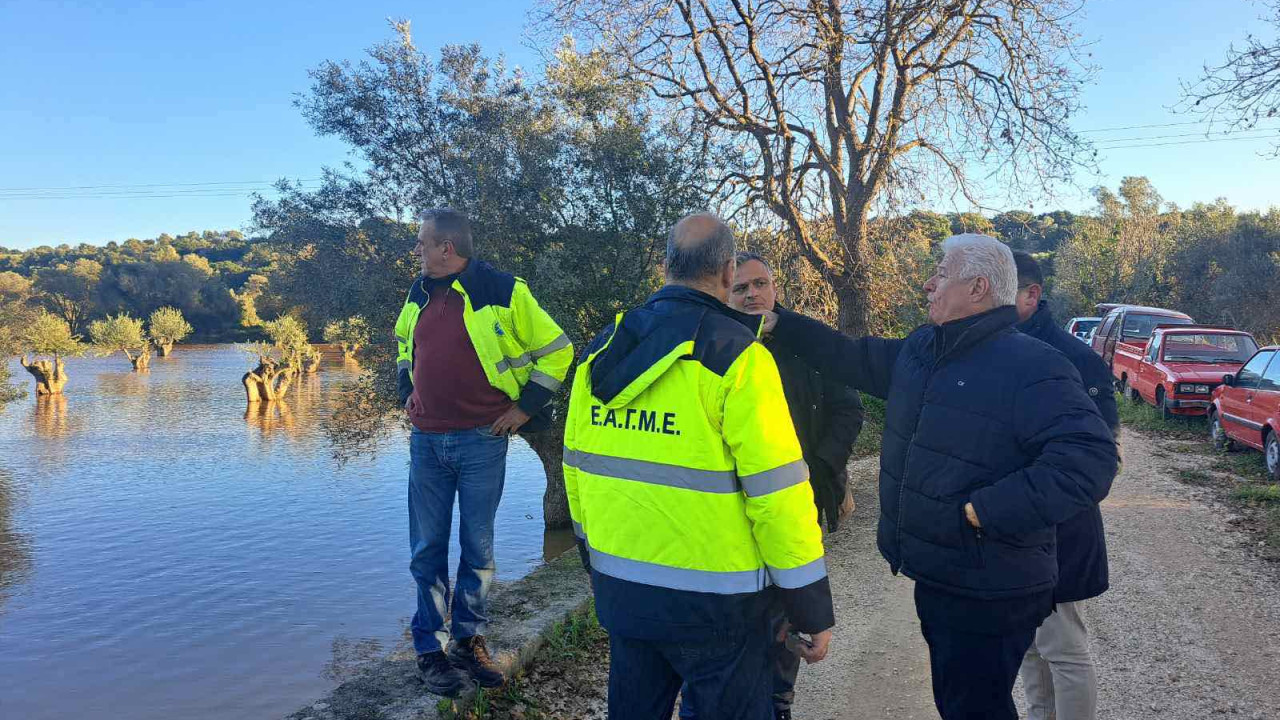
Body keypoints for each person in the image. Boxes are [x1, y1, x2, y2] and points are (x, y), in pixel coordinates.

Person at [760, 234, 1119, 720]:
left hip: (990, 582)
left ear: (977, 287)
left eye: (941, 273)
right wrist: (780, 323)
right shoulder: (925, 350)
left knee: (972, 705)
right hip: (946, 573)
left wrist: (984, 511)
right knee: (966, 700)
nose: (928, 284)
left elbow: (1090, 459)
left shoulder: (1032, 365)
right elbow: (851, 356)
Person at [563, 213, 836, 719]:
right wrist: (808, 607)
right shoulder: (739, 358)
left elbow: (576, 472)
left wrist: (593, 558)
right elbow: (779, 497)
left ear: (665, 266)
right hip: (719, 608)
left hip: (624, 595)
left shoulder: (600, 349)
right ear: (729, 272)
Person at [394, 208, 573, 697]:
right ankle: (430, 652)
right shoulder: (418, 291)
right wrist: (405, 387)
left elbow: (559, 349)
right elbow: (403, 346)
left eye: (422, 243)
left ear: (446, 248)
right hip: (426, 441)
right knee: (426, 550)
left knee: (478, 550)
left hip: (481, 440)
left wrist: (524, 408)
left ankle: (468, 643)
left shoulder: (504, 290)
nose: (417, 252)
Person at [678, 252, 862, 720]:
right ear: (725, 292)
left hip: (797, 503)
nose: (753, 294)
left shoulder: (808, 343)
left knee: (787, 608)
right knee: (740, 614)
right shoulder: (710, 348)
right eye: (741, 288)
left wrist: (824, 473)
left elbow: (848, 410)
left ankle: (778, 702)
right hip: (729, 510)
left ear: (775, 288)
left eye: (760, 284)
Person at [1013, 251, 1118, 720]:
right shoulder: (999, 350)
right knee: (1031, 644)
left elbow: (1101, 454)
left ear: (1031, 295)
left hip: (1060, 526)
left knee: (1064, 645)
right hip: (1012, 525)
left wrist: (1045, 500)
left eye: (1000, 290)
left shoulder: (1075, 357)